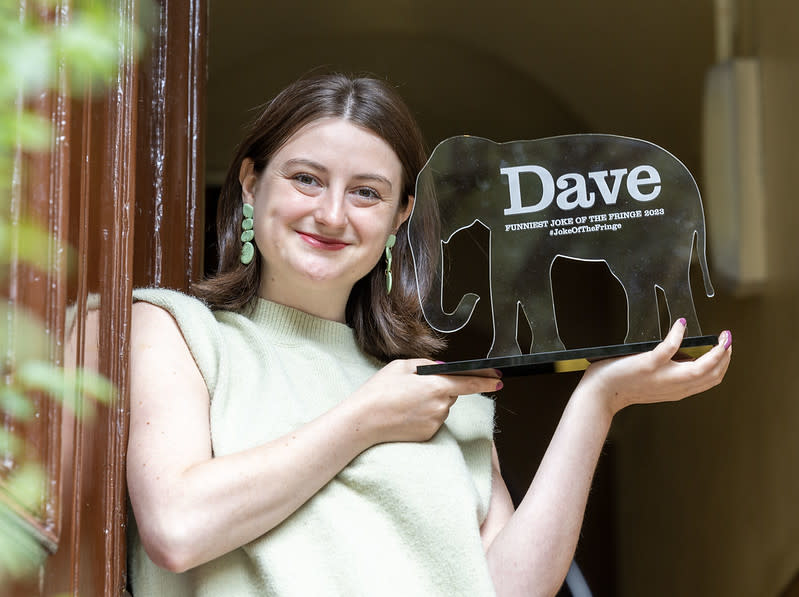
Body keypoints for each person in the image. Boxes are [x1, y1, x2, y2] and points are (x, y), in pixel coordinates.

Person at [127, 73, 732, 596]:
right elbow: (177, 530)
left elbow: (509, 588)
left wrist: (599, 400)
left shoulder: (438, 394)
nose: (333, 213)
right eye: (306, 179)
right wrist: (367, 418)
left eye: (367, 192)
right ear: (253, 183)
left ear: (400, 217)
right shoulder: (178, 332)